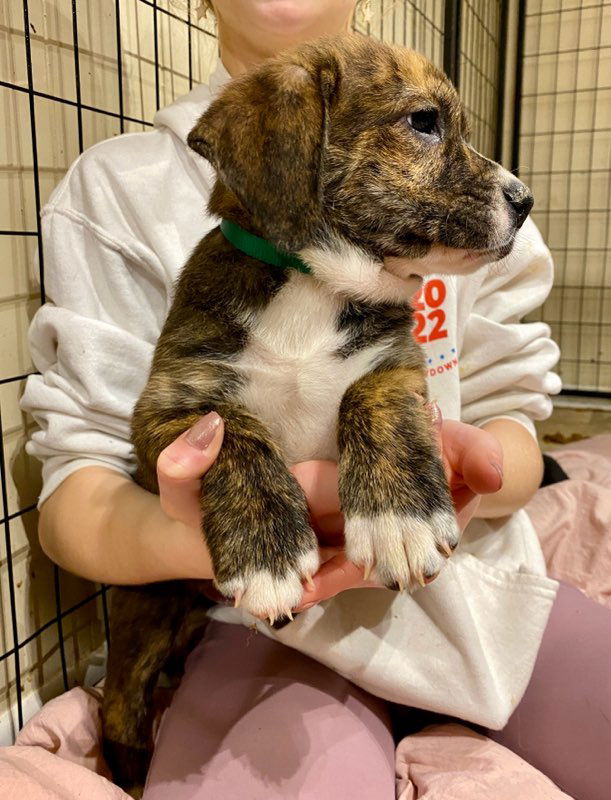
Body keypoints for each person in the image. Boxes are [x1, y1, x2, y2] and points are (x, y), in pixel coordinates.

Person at [20, 2, 611, 799]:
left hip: (466, 596)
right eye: (426, 127)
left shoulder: (421, 259)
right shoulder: (122, 189)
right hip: (249, 620)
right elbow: (90, 474)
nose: (494, 179)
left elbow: (510, 428)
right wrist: (225, 535)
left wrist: (464, 471)